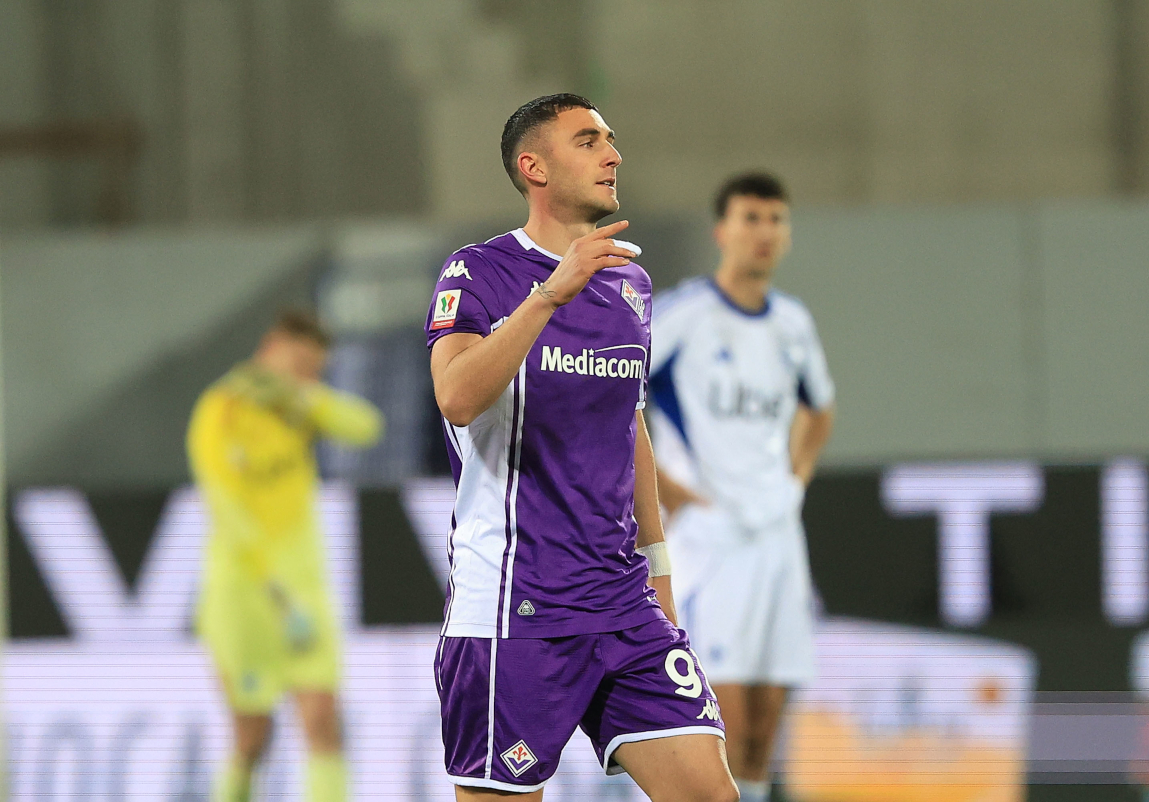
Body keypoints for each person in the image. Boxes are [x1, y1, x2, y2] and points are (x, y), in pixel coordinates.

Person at [425, 93, 738, 802]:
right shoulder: (476, 273)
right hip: (514, 612)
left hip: (624, 605)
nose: (613, 154)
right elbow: (456, 398)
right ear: (533, 166)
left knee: (712, 796)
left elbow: (629, 431)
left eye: (611, 140)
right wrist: (546, 297)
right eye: (588, 140)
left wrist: (661, 583)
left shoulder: (629, 282)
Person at [647, 172, 836, 802]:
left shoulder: (792, 322)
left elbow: (821, 409)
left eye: (775, 219)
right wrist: (662, 485)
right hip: (711, 538)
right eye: (750, 218)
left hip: (778, 536)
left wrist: (795, 478)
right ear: (721, 230)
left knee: (763, 727)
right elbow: (612, 390)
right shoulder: (685, 315)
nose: (763, 232)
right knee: (716, 722)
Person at [187, 309, 384, 802]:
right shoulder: (221, 408)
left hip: (305, 593)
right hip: (246, 596)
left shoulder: (296, 407)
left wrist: (304, 396)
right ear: (272, 346)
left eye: (315, 370)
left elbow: (366, 427)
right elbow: (224, 504)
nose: (307, 377)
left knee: (322, 720)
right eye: (301, 365)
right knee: (253, 735)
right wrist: (272, 588)